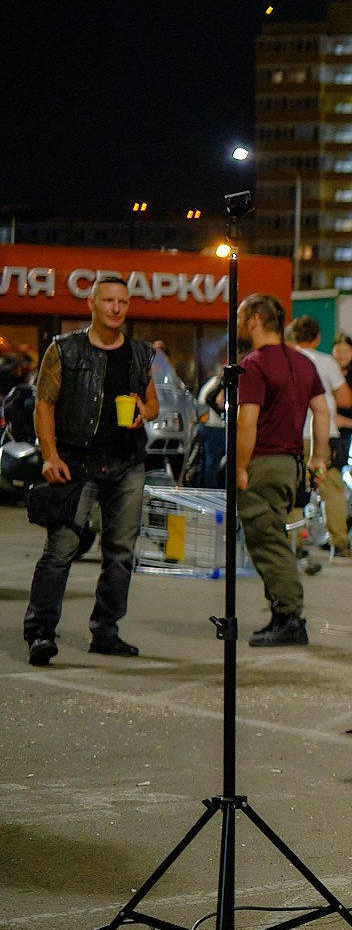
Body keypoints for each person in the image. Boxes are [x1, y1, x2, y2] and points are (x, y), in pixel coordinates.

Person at [22, 274, 160, 666]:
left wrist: (144, 412)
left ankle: (106, 631)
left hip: (127, 463)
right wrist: (50, 456)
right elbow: (43, 405)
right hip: (76, 461)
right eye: (109, 301)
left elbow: (152, 404)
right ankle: (40, 633)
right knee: (61, 549)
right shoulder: (65, 350)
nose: (116, 308)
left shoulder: (139, 353)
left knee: (120, 552)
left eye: (123, 302)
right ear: (92, 304)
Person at [235, 293, 329, 648]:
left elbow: (247, 423)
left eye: (242, 318)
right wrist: (317, 457)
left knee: (268, 542)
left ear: (256, 320)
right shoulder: (303, 363)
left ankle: (289, 616)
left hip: (263, 462)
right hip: (291, 464)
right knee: (276, 537)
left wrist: (241, 467)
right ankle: (282, 612)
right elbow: (322, 411)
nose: (240, 326)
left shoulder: (255, 364)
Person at [287, 316, 351, 560]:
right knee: (330, 488)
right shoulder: (326, 363)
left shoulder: (289, 361)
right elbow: (345, 399)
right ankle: (340, 544)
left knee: (294, 488)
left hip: (293, 434)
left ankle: (294, 543)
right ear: (318, 337)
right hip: (323, 435)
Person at [332, 332, 352, 465]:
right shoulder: (328, 378)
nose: (342, 355)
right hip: (335, 437)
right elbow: (335, 419)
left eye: (346, 351)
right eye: (338, 350)